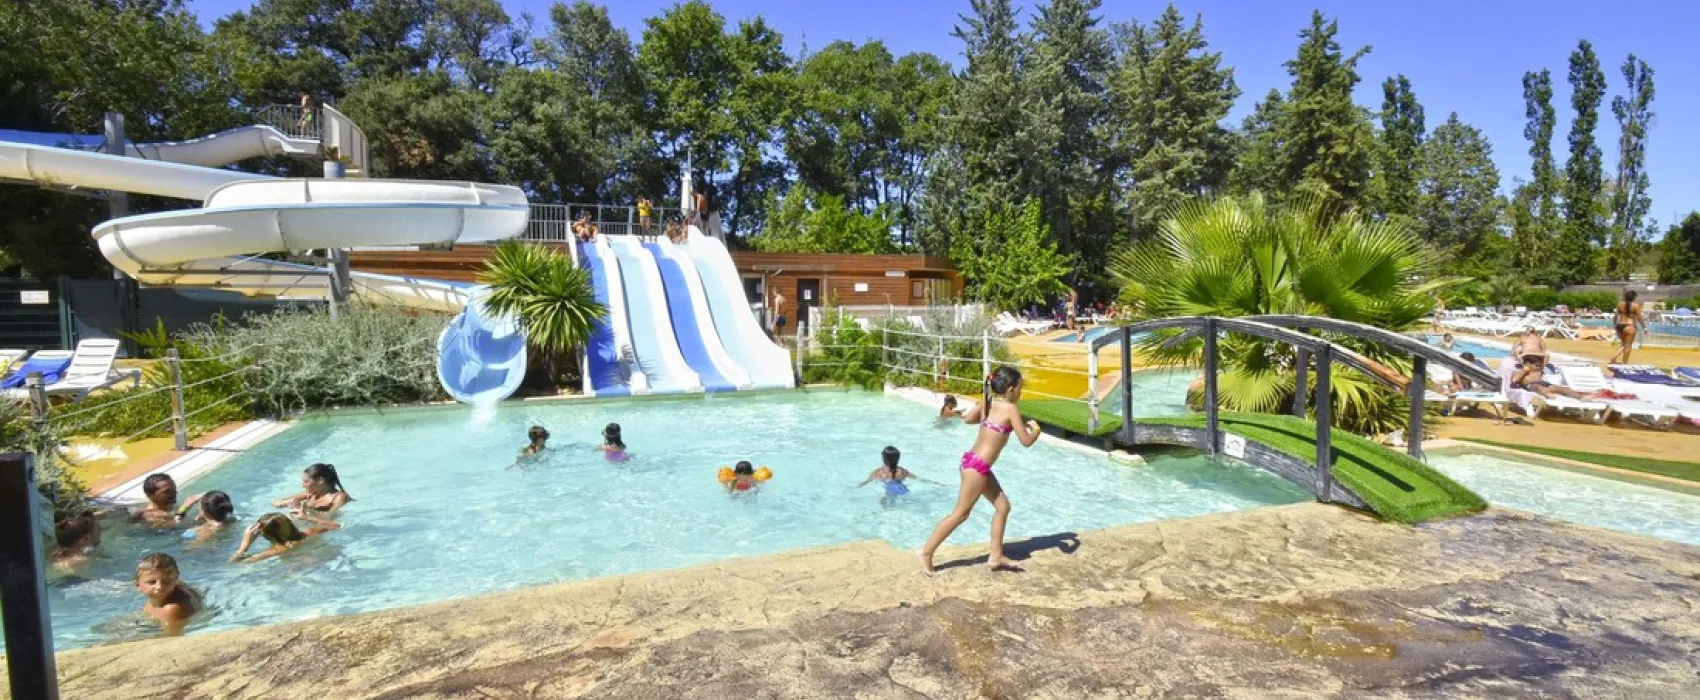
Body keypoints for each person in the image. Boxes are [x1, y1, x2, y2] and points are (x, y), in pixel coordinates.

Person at [919, 366, 1041, 575]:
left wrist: (984, 408)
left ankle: (996, 556)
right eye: (1020, 388)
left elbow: (968, 420)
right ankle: (926, 552)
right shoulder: (1010, 409)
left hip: (974, 463)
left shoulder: (989, 403)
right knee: (960, 514)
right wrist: (1036, 431)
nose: (1021, 393)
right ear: (1010, 389)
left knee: (1003, 507)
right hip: (977, 469)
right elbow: (1026, 441)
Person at [230, 512, 341, 564]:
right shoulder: (311, 532)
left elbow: (233, 564)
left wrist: (245, 545)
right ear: (290, 522)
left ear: (266, 535)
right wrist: (306, 517)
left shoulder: (277, 550)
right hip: (323, 559)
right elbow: (336, 526)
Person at [135, 553, 201, 635]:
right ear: (138, 585)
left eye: (166, 581)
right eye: (152, 582)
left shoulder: (171, 609)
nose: (159, 587)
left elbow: (171, 637)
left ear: (175, 580)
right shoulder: (159, 596)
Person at [272, 463, 352, 516]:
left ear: (320, 480)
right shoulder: (310, 494)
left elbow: (330, 517)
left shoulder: (339, 497)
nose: (302, 485)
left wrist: (307, 511)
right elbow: (276, 502)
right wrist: (289, 503)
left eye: (306, 482)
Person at [1512, 356, 1601, 401]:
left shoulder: (1539, 370)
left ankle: (1581, 397)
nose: (1539, 367)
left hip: (1544, 383)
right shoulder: (1520, 371)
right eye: (1536, 365)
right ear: (1528, 364)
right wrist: (1525, 369)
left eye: (1540, 365)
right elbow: (1514, 380)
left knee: (1563, 389)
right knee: (1539, 387)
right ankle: (1548, 394)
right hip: (1531, 386)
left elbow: (1546, 356)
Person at [1610, 290, 1644, 364]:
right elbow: (1640, 317)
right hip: (1629, 326)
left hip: (1620, 325)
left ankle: (1614, 357)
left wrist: (1614, 325)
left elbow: (1615, 316)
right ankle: (1624, 363)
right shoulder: (1636, 305)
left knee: (1623, 344)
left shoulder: (1620, 304)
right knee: (1628, 345)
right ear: (1634, 297)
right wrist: (1644, 327)